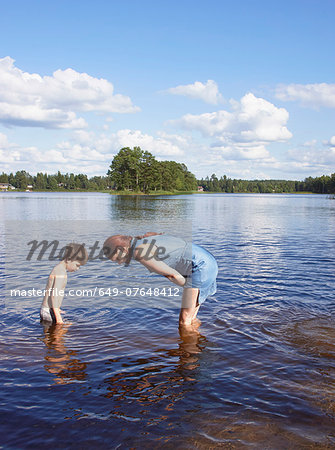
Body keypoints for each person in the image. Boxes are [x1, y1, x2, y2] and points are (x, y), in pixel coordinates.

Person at [103, 233, 218, 328]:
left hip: (199, 267)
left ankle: (190, 354)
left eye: (118, 258)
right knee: (191, 318)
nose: (119, 262)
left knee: (184, 321)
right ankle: (200, 342)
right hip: (209, 261)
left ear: (122, 249)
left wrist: (189, 288)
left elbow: (172, 275)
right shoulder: (144, 240)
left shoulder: (140, 252)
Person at [40, 243, 88, 324]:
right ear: (69, 259)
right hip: (49, 311)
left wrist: (57, 309)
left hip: (48, 310)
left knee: (50, 333)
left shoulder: (59, 269)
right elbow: (54, 295)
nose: (77, 269)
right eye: (77, 265)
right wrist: (58, 318)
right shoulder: (61, 272)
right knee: (60, 331)